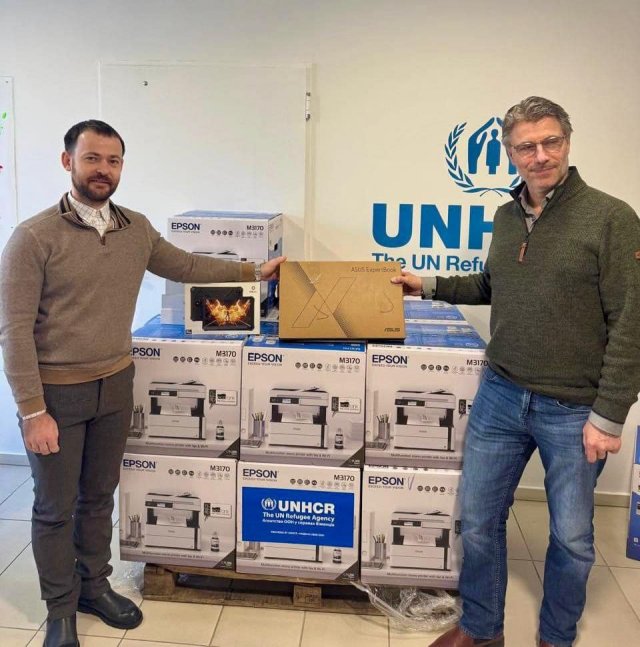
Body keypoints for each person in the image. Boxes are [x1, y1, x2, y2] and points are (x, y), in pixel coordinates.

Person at [0, 119, 285, 647]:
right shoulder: (33, 237)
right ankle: (60, 610)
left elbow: (187, 265)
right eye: (92, 158)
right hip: (57, 394)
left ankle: (94, 587)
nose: (103, 170)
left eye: (112, 161)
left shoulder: (135, 229)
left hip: (115, 384)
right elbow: (13, 331)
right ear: (68, 162)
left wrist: (256, 271)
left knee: (98, 499)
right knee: (55, 509)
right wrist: (32, 411)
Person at [392, 96, 640, 647]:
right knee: (479, 522)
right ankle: (482, 631)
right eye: (527, 146)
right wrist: (425, 285)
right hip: (501, 395)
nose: (540, 155)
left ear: (567, 143)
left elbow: (632, 320)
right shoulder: (506, 217)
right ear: (510, 153)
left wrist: (609, 415)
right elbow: (493, 284)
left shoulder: (611, 218)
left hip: (574, 409)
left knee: (572, 539)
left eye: (551, 142)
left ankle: (556, 637)